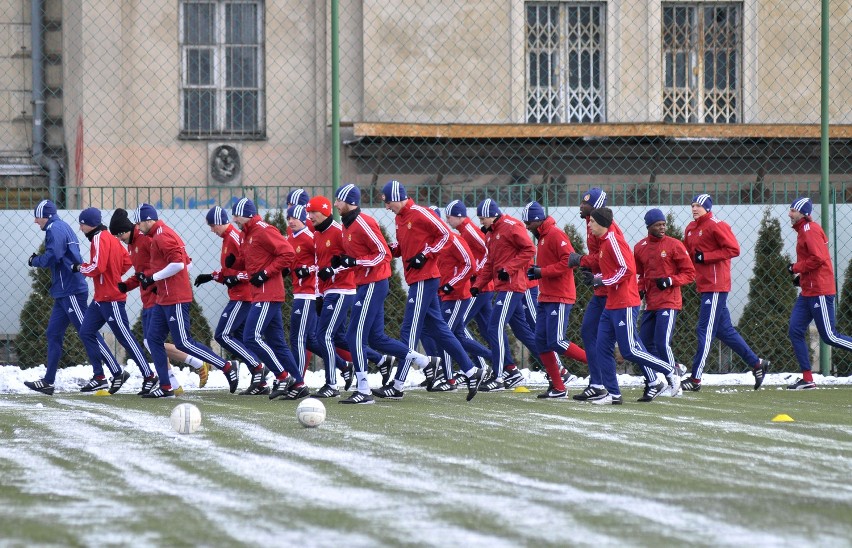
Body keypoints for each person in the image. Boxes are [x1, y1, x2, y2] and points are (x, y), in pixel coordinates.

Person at [372, 181, 483, 401]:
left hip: (425, 278)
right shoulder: (400, 218)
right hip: (418, 279)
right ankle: (472, 371)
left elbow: (445, 235)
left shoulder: (420, 213)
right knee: (440, 330)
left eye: (388, 202)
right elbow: (404, 246)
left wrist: (426, 254)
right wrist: (388, 248)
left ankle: (397, 385)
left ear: (399, 197)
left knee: (409, 331)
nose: (387, 207)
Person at [333, 183, 438, 404]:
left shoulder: (364, 222)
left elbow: (383, 254)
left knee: (354, 335)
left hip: (374, 283)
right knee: (376, 338)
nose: (335, 204)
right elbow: (361, 256)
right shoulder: (348, 224)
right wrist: (341, 264)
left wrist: (355, 261)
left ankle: (363, 389)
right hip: (365, 282)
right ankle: (422, 360)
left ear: (350, 202)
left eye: (338, 200)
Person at [135, 203, 238, 398]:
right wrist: (163, 282)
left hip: (174, 299)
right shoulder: (161, 234)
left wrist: (154, 278)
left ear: (149, 220)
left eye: (139, 223)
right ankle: (166, 387)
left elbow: (179, 264)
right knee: (153, 339)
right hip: (164, 298)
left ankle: (226, 367)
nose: (138, 227)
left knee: (183, 342)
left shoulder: (162, 236)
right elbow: (187, 264)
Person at [582, 208, 681, 405]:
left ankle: (670, 370)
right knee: (602, 347)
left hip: (625, 303)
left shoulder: (613, 241)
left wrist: (603, 281)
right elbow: (612, 272)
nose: (589, 224)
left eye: (592, 221)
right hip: (612, 303)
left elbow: (627, 270)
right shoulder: (603, 243)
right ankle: (614, 394)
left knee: (629, 350)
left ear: (602, 223)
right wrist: (596, 278)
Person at [24, 200, 119, 395]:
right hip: (63, 291)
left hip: (71, 290)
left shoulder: (54, 228)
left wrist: (36, 260)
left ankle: (114, 372)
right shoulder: (59, 226)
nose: (35, 221)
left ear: (46, 216)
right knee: (53, 334)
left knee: (87, 331)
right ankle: (48, 381)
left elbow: (54, 255)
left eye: (37, 216)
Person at [682, 194, 769, 391]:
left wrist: (706, 256)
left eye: (698, 206)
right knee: (724, 331)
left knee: (704, 330)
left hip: (716, 285)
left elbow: (733, 249)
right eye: (693, 205)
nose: (694, 208)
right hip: (704, 285)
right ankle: (757, 363)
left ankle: (695, 379)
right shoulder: (690, 228)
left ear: (707, 207)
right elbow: (688, 255)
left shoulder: (716, 225)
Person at [110, 208, 196, 395]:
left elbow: (164, 266)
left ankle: (191, 367)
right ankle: (171, 384)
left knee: (154, 341)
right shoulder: (132, 244)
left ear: (131, 228)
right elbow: (142, 272)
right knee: (153, 341)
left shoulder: (147, 239)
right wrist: (128, 285)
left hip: (157, 296)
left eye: (120, 233)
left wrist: (152, 282)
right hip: (148, 295)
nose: (119, 238)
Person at [230, 198, 308, 400]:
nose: (234, 219)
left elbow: (287, 254)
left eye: (236, 215)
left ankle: (283, 377)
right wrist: (235, 263)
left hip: (268, 293)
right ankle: (299, 383)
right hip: (261, 293)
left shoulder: (264, 230)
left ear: (245, 214)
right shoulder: (245, 234)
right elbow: (251, 261)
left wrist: (266, 273)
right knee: (277, 343)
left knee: (251, 337)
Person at [73, 207, 147, 394]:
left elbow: (97, 266)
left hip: (111, 298)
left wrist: (79, 268)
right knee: (86, 332)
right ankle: (103, 376)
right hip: (101, 298)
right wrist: (113, 275)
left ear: (90, 224)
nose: (80, 228)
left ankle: (149, 375)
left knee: (125, 337)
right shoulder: (110, 238)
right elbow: (127, 261)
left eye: (82, 224)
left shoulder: (99, 238)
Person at [193, 206, 266, 394]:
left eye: (212, 226)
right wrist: (212, 276)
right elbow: (230, 271)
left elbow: (251, 268)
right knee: (244, 339)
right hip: (238, 293)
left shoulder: (234, 238)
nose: (212, 230)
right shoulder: (227, 238)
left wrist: (237, 277)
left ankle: (257, 366)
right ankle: (261, 382)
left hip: (243, 295)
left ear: (219, 223)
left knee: (223, 334)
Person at [471, 198, 539, 392]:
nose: (481, 221)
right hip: (503, 286)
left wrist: (508, 269)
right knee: (522, 331)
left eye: (483, 218)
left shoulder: (510, 226)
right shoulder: (491, 234)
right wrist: (478, 285)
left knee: (494, 327)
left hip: (512, 286)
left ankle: (499, 375)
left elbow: (529, 249)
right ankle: (556, 369)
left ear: (493, 215)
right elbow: (490, 263)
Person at [522, 201, 587, 399]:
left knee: (557, 341)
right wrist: (538, 271)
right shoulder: (542, 236)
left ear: (537, 220)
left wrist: (542, 272)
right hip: (546, 295)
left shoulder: (555, 234)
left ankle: (597, 362)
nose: (527, 227)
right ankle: (558, 388)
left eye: (528, 223)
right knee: (541, 342)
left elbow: (569, 261)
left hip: (560, 295)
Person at [786, 197, 852, 389]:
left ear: (803, 213)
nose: (789, 214)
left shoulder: (809, 230)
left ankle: (808, 379)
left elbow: (818, 259)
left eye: (792, 210)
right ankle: (807, 379)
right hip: (809, 291)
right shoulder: (804, 231)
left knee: (829, 336)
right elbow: (814, 260)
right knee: (795, 330)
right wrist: (802, 278)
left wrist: (795, 267)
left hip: (820, 292)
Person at [567, 187, 623, 401]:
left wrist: (580, 260)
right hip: (601, 289)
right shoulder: (591, 224)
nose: (582, 206)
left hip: (611, 290)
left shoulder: (608, 229)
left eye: (586, 204)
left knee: (628, 345)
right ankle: (597, 383)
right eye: (582, 202)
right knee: (589, 332)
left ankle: (663, 372)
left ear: (597, 208)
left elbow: (608, 259)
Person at [634, 208, 694, 400]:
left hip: (669, 301)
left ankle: (674, 383)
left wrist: (670, 280)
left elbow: (689, 273)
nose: (662, 228)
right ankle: (667, 373)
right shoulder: (640, 247)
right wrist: (640, 288)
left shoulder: (674, 245)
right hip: (650, 303)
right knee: (642, 345)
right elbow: (641, 274)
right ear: (649, 226)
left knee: (661, 342)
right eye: (658, 225)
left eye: (664, 224)